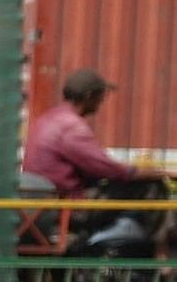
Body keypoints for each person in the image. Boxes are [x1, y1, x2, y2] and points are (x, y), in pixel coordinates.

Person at [24, 69, 167, 203]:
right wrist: (154, 173)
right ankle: (117, 231)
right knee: (152, 186)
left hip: (46, 196)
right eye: (101, 96)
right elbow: (106, 168)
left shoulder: (49, 118)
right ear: (89, 97)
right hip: (66, 202)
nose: (102, 101)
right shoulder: (71, 127)